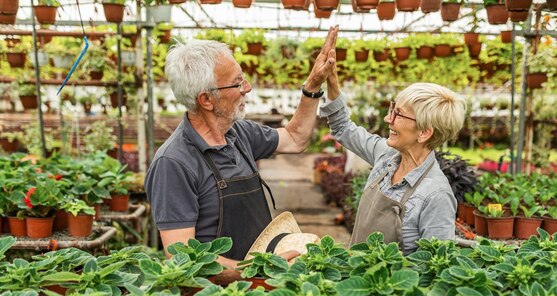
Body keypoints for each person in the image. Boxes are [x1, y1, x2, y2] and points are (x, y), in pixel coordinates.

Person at [145, 26, 339, 269]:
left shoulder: (239, 133)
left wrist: (312, 86)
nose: (247, 88)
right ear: (206, 99)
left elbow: (295, 137)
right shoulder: (173, 164)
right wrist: (253, 270)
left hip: (259, 282)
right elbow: (182, 259)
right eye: (237, 83)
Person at [319, 66, 466, 255]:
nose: (388, 118)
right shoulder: (386, 155)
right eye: (392, 109)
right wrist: (332, 81)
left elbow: (435, 270)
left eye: (398, 114)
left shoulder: (436, 196)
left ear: (424, 133)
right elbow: (342, 128)